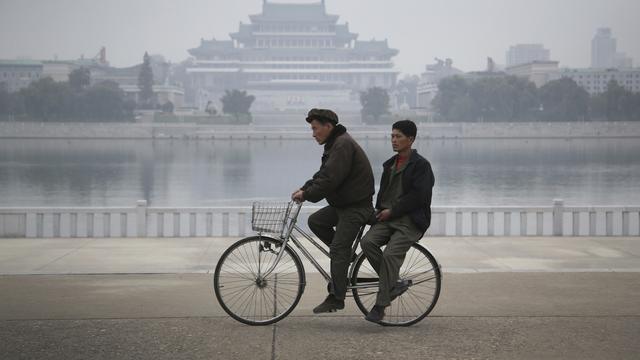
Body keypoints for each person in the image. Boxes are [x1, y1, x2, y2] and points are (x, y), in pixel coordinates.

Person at [291, 108, 375, 314]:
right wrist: (305, 188)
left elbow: (330, 180)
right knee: (317, 222)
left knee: (337, 249)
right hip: (344, 205)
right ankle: (346, 256)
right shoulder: (335, 144)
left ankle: (337, 297)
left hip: (356, 207)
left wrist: (308, 195)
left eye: (315, 129)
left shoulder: (342, 145)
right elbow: (323, 174)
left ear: (328, 127)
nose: (313, 134)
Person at [360, 119, 435, 323]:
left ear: (410, 139)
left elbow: (419, 197)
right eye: (392, 136)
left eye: (398, 136)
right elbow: (383, 193)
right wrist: (378, 212)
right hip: (387, 218)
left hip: (409, 221)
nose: (393, 140)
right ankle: (392, 284)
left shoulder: (422, 166)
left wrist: (392, 211)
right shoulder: (390, 164)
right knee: (367, 242)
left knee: (391, 254)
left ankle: (380, 306)